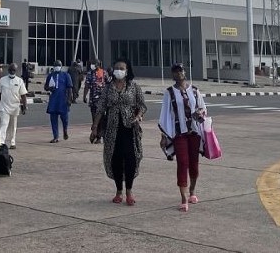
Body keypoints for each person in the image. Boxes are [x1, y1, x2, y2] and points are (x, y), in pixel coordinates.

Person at [89, 60, 146, 206]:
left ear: (127, 71)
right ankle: (119, 190)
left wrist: (138, 116)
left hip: (130, 128)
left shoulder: (134, 87)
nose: (118, 71)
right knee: (115, 159)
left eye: (121, 68)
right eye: (116, 68)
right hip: (112, 129)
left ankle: (129, 191)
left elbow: (142, 105)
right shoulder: (108, 88)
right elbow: (100, 108)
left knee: (131, 159)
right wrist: (95, 127)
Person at [158, 63, 207, 212]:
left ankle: (192, 191)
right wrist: (164, 136)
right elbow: (165, 115)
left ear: (185, 72)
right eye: (175, 72)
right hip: (179, 134)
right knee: (182, 163)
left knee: (194, 164)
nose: (179, 74)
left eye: (181, 71)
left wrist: (200, 114)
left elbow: (203, 108)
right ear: (172, 75)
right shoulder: (169, 93)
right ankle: (183, 198)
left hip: (194, 132)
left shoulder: (194, 90)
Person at [0, 63, 28, 149]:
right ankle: (1, 142)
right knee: (4, 124)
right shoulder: (2, 80)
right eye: (10, 70)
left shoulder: (19, 81)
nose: (11, 71)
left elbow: (23, 95)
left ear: (16, 71)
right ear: (8, 70)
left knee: (13, 126)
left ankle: (12, 142)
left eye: (13, 70)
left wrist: (24, 107)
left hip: (15, 107)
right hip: (4, 107)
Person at [45, 60, 74, 143]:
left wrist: (69, 99)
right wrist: (49, 88)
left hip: (63, 100)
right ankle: (56, 136)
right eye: (55, 65)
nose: (57, 67)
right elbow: (46, 86)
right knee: (53, 119)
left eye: (58, 65)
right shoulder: (50, 75)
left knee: (65, 118)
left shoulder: (66, 75)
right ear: (53, 67)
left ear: (61, 66)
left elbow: (69, 88)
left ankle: (65, 130)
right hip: (53, 100)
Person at [83, 59, 108, 143]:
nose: (92, 65)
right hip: (93, 100)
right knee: (94, 118)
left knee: (102, 118)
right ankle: (96, 134)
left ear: (98, 65)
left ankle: (99, 137)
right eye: (92, 64)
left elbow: (109, 84)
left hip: (102, 100)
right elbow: (87, 85)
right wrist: (84, 96)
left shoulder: (104, 73)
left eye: (94, 64)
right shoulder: (90, 73)